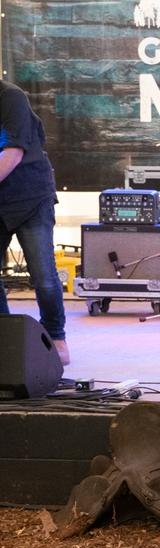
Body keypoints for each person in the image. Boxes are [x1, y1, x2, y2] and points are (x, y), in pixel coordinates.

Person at [0, 79, 67, 365]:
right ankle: (6, 337)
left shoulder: (11, 97)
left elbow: (12, 155)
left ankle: (56, 338)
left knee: (44, 276)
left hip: (31, 197)